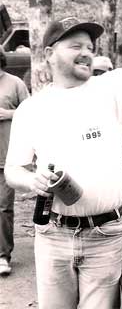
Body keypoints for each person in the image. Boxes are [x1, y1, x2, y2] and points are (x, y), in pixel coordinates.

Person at [4, 0, 122, 309]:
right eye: (75, 46)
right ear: (50, 54)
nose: (86, 53)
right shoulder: (32, 108)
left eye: (90, 48)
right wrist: (31, 180)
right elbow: (13, 171)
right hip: (53, 236)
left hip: (105, 235)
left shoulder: (111, 88)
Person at [0, 45, 29, 276]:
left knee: (2, 207)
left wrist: (9, 114)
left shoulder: (15, 83)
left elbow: (31, 113)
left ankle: (3, 255)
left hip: (5, 156)